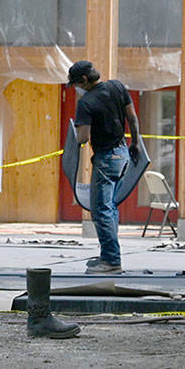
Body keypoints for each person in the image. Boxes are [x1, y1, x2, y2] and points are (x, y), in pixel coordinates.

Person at [69, 60, 141, 276]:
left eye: (75, 83)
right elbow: (133, 118)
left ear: (83, 80)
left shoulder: (86, 102)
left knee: (101, 210)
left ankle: (111, 261)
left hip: (106, 158)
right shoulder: (117, 87)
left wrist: (78, 124)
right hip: (123, 154)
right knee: (110, 208)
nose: (75, 87)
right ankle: (107, 256)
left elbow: (82, 138)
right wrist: (135, 143)